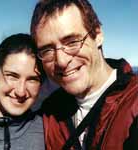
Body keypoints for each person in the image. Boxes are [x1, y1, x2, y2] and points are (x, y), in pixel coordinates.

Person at [30, 0, 138, 150]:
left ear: (98, 35)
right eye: (47, 50)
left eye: (72, 42)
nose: (61, 61)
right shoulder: (51, 113)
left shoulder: (133, 103)